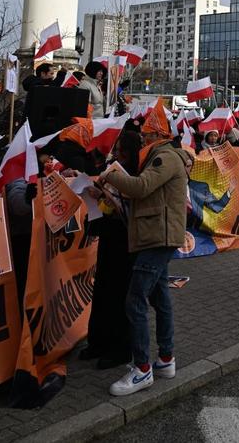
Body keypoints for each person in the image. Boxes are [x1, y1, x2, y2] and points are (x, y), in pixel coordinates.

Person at [100, 115, 195, 396]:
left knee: (135, 300)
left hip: (158, 236)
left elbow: (141, 187)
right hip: (157, 234)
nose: (142, 139)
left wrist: (109, 173)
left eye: (146, 135)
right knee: (160, 298)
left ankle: (142, 369)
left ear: (156, 136)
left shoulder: (164, 157)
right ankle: (165, 359)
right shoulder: (162, 156)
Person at [81, 126, 142, 369]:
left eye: (120, 152)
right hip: (109, 236)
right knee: (103, 290)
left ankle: (120, 349)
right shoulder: (113, 169)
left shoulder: (135, 174)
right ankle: (97, 342)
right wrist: (99, 195)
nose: (116, 156)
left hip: (126, 241)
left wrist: (109, 196)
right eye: (115, 151)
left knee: (119, 295)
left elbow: (129, 203)